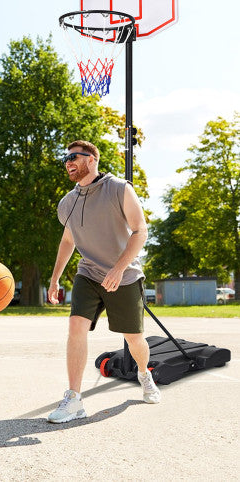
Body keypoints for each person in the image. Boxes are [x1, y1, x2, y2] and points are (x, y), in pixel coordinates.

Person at [46, 140, 160, 424]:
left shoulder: (120, 189)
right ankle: (74, 399)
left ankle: (144, 374)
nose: (68, 162)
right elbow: (68, 240)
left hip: (125, 275)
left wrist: (119, 268)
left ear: (92, 159)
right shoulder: (67, 203)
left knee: (134, 339)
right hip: (89, 273)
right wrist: (55, 279)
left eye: (74, 156)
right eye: (66, 158)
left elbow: (140, 231)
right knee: (75, 326)